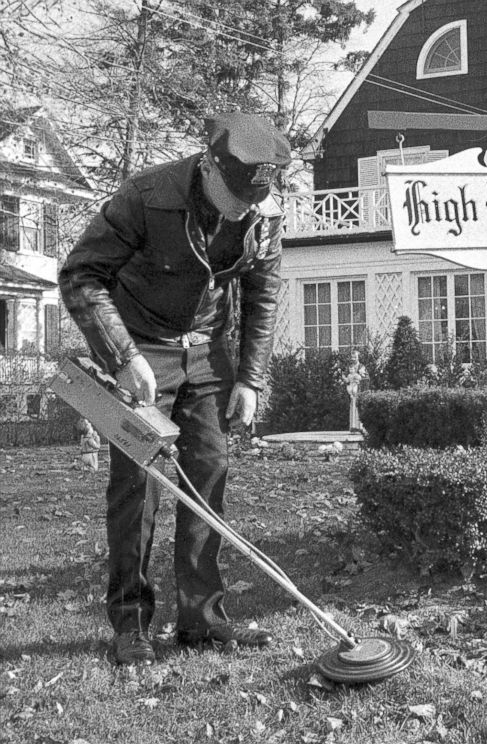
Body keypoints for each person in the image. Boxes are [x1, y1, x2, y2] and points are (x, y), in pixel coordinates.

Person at [59, 112, 291, 666]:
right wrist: (123, 357)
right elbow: (80, 276)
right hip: (142, 348)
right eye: (235, 195)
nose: (244, 208)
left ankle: (202, 622)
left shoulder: (265, 212)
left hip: (209, 353)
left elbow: (263, 294)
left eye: (254, 198)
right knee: (138, 487)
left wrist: (251, 379)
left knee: (208, 482)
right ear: (210, 165)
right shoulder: (144, 195)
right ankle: (131, 623)